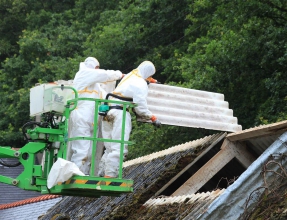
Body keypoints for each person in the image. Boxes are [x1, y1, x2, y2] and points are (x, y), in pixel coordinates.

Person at [99, 61, 161, 178]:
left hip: (108, 111)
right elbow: (140, 107)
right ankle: (109, 178)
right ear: (148, 73)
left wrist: (150, 80)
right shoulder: (140, 83)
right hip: (120, 113)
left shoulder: (129, 76)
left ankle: (100, 175)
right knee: (119, 148)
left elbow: (132, 86)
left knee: (109, 149)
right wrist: (152, 117)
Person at [70, 57, 123, 174]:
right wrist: (120, 75)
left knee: (89, 152)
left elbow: (106, 96)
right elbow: (105, 75)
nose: (98, 70)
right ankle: (76, 175)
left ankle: (83, 174)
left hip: (91, 121)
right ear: (91, 66)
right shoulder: (84, 73)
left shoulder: (95, 86)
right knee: (81, 150)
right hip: (81, 117)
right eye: (97, 67)